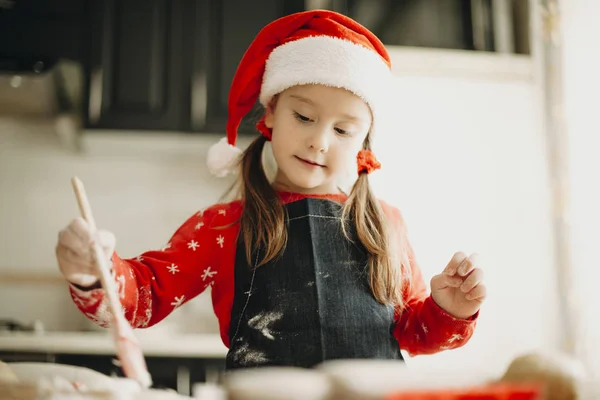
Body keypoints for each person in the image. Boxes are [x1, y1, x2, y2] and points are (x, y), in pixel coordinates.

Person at [56, 10, 486, 370]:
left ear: (364, 142)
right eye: (304, 117)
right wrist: (93, 272)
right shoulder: (224, 226)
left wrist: (450, 309)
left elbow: (414, 331)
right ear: (272, 113)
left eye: (342, 129)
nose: (320, 140)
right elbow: (143, 297)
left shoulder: (386, 225)